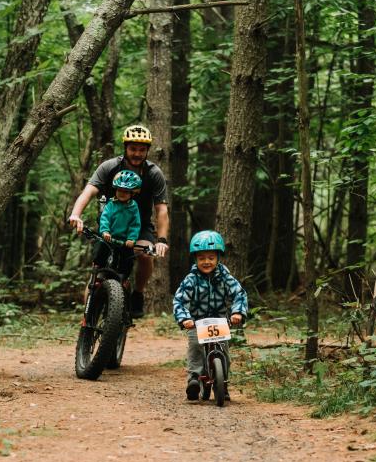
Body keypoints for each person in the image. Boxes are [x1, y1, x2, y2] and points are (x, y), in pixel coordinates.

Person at [69, 125, 169, 318]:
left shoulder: (153, 173)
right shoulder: (109, 167)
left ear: (147, 150)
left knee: (145, 255)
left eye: (141, 150)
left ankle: (137, 293)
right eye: (133, 149)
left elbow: (161, 210)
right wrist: (75, 214)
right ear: (125, 148)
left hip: (138, 228)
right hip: (110, 226)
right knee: (97, 272)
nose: (137, 153)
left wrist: (162, 240)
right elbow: (88, 192)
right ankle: (88, 321)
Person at [172, 230, 248, 401]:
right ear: (196, 259)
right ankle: (194, 378)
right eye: (201, 258)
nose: (206, 262)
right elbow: (179, 300)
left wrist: (237, 312)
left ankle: (224, 383)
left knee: (224, 350)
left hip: (220, 321)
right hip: (196, 322)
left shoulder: (225, 277)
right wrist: (185, 318)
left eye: (211, 258)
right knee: (195, 345)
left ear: (218, 258)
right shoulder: (191, 279)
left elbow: (239, 294)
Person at [95, 170, 143, 280]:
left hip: (124, 241)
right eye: (120, 190)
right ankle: (98, 271)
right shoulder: (111, 205)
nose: (122, 193)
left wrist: (131, 238)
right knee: (101, 249)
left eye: (126, 191)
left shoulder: (133, 207)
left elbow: (135, 224)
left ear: (132, 193)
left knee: (128, 258)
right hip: (109, 237)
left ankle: (123, 278)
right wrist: (105, 231)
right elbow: (105, 218)